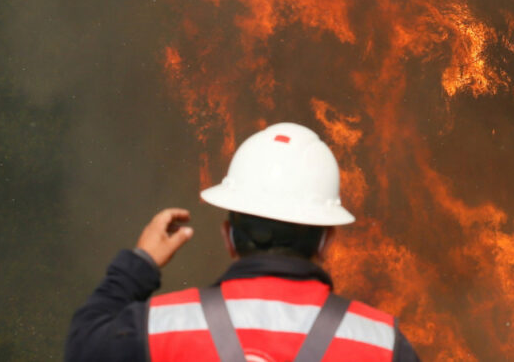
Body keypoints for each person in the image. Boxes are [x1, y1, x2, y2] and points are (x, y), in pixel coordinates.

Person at [66, 122, 420, 361]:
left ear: (229, 236)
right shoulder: (381, 344)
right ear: (327, 240)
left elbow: (82, 346)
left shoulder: (161, 327)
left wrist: (139, 264)